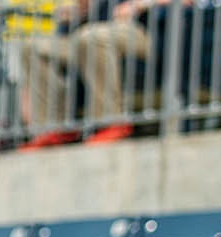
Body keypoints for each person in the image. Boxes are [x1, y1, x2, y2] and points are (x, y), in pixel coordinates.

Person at [18, 0, 161, 148]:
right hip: (92, 29)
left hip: (144, 28)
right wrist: (80, 10)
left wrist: (139, 4)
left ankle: (110, 122)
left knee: (92, 38)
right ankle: (53, 129)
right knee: (33, 48)